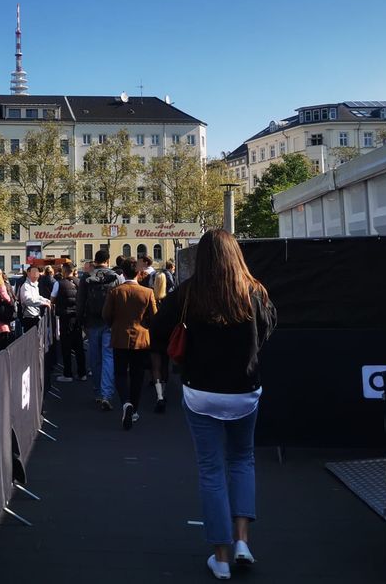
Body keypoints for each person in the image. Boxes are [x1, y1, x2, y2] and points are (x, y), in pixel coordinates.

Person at [150, 229, 276, 580]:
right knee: (242, 460)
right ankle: (243, 542)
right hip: (244, 390)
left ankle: (219, 558)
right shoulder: (254, 291)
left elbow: (158, 329)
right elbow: (269, 328)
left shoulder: (189, 294)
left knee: (210, 470)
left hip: (201, 390)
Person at [101, 257, 157, 431]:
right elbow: (155, 317)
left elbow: (106, 314)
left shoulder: (115, 291)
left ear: (123, 273)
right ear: (139, 273)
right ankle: (134, 408)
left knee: (120, 373)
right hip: (141, 339)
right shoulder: (147, 292)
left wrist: (114, 325)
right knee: (137, 375)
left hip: (119, 337)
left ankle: (125, 402)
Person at [76, 250, 120, 410]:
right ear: (108, 261)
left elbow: (80, 301)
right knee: (109, 357)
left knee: (94, 357)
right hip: (110, 322)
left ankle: (97, 392)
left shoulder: (86, 278)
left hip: (92, 322)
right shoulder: (115, 277)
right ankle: (107, 393)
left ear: (95, 261)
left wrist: (80, 321)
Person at [52, 263, 85, 382]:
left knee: (66, 346)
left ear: (64, 271)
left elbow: (53, 299)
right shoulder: (80, 282)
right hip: (77, 316)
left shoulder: (59, 283)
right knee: (79, 346)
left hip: (65, 316)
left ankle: (68, 374)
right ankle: (82, 373)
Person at [149, 267, 170, 412]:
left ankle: (159, 395)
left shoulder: (150, 296)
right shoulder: (170, 298)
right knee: (165, 365)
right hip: (167, 335)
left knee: (155, 365)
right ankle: (164, 389)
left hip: (153, 334)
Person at [17, 265, 50, 335]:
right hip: (29, 318)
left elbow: (37, 297)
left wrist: (47, 300)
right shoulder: (26, 286)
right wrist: (42, 303)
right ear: (29, 274)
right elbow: (28, 300)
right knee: (30, 340)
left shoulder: (34, 285)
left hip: (36, 316)